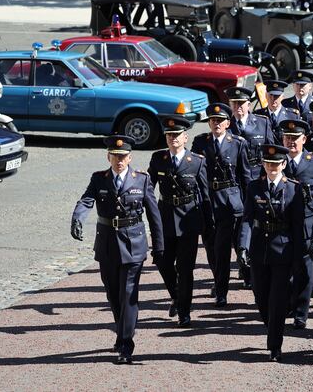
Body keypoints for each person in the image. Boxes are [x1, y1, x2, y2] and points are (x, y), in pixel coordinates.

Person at [70, 135, 164, 364]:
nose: (119, 161)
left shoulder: (141, 180)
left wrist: (159, 247)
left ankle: (125, 344)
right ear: (108, 157)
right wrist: (77, 217)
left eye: (123, 157)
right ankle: (122, 328)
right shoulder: (99, 179)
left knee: (128, 295)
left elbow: (154, 215)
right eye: (115, 156)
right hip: (108, 244)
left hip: (134, 243)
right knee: (113, 295)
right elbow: (86, 201)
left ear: (130, 157)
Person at [238, 144, 304, 362]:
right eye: (268, 163)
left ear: (283, 164)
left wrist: (297, 256)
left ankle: (275, 345)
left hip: (283, 249)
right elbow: (247, 218)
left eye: (275, 164)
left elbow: (297, 225)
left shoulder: (294, 188)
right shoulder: (254, 187)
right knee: (261, 297)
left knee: (277, 299)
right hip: (259, 248)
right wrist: (243, 246)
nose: (271, 167)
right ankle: (272, 326)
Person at [147, 117, 211, 327]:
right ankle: (176, 294)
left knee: (185, 269)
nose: (173, 138)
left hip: (188, 220)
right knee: (163, 261)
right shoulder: (159, 159)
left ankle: (184, 311)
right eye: (169, 135)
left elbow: (205, 193)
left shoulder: (197, 161)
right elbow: (149, 187)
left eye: (177, 135)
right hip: (165, 217)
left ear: (185, 137)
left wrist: (207, 222)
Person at [191, 103, 251, 307]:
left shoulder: (237, 143)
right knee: (211, 247)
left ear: (228, 123)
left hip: (229, 202)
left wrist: (247, 203)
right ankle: (219, 284)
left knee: (225, 247)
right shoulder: (201, 143)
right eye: (212, 120)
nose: (216, 124)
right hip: (208, 201)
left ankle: (227, 288)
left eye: (220, 121)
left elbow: (245, 177)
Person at [280, 119, 313, 329]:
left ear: (304, 139)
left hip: (307, 225)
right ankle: (287, 304)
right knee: (284, 269)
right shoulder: (276, 162)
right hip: (282, 225)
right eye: (287, 138)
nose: (291, 142)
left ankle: (301, 313)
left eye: (295, 138)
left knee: (306, 272)